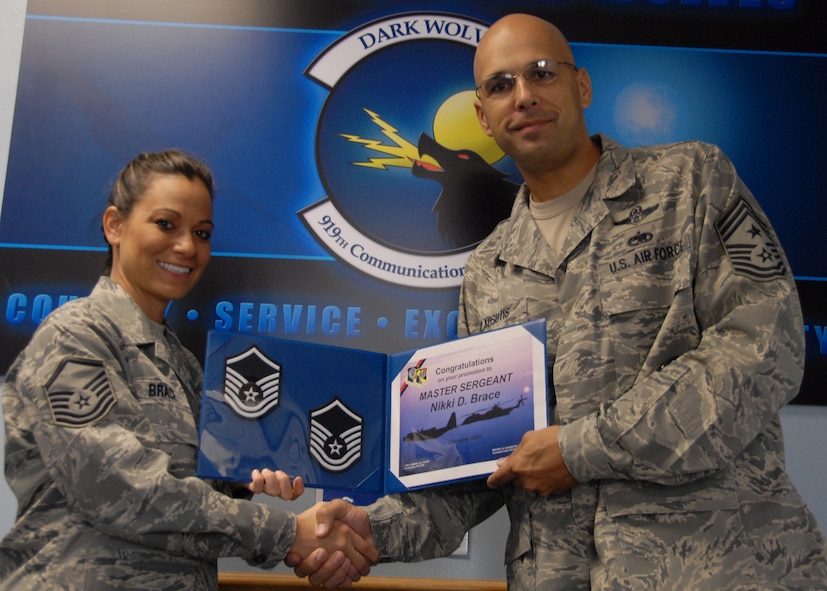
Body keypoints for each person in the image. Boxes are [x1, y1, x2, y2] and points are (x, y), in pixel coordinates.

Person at [292, 13, 827, 590]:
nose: (523, 97)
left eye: (542, 73)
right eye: (500, 85)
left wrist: (581, 448)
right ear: (482, 118)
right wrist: (375, 532)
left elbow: (762, 350)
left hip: (719, 570)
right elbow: (476, 460)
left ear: (583, 87)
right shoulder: (487, 271)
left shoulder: (691, 181)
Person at [0, 150, 376, 589]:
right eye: (165, 224)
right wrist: (291, 533)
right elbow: (117, 488)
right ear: (115, 226)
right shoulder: (73, 337)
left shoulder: (184, 364)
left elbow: (195, 487)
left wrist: (244, 479)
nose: (186, 247)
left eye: (202, 232)